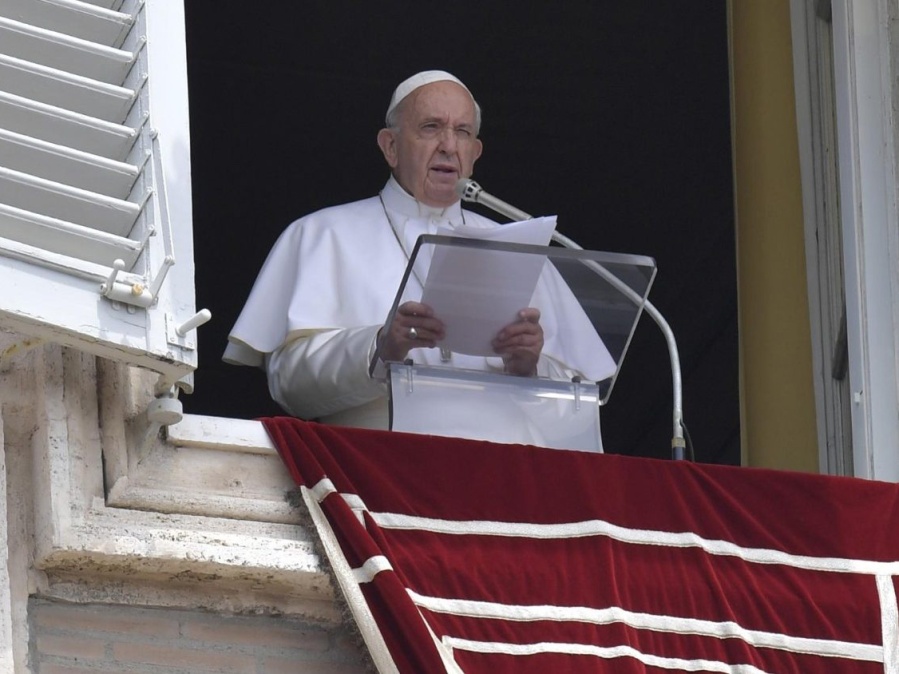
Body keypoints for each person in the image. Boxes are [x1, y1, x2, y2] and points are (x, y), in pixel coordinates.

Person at [224, 70, 614, 432]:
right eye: (431, 128)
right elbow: (289, 383)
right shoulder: (322, 234)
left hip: (504, 479)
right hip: (377, 472)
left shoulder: (520, 246)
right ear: (390, 146)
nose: (448, 145)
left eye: (462, 132)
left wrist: (530, 368)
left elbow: (581, 410)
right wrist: (380, 348)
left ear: (475, 153)